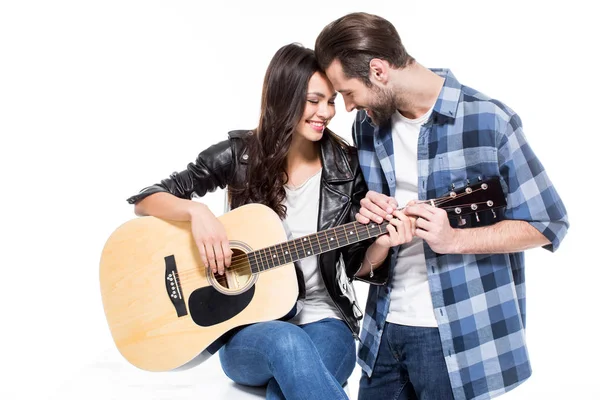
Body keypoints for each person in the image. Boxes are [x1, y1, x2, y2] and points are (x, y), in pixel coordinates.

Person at [126, 43, 412, 400]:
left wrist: (381, 244)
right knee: (287, 342)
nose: (326, 112)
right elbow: (146, 199)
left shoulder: (348, 167)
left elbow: (357, 264)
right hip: (250, 330)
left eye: (331, 100)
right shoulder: (240, 154)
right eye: (314, 100)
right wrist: (196, 213)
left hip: (326, 322)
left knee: (286, 390)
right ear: (284, 97)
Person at [314, 12, 569, 400]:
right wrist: (373, 223)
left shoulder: (489, 121)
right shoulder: (369, 126)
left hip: (457, 338)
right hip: (382, 329)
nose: (347, 106)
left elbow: (548, 222)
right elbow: (369, 249)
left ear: (378, 71)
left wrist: (455, 240)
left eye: (347, 92)